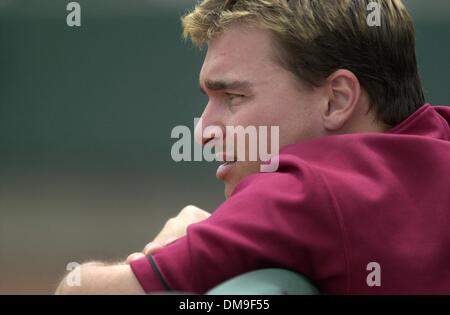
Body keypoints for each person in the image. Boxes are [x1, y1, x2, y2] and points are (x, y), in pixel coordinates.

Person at [55, 0, 450, 294]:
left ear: (337, 100)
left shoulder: (303, 191)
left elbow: (77, 290)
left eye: (232, 96)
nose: (203, 131)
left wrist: (178, 246)